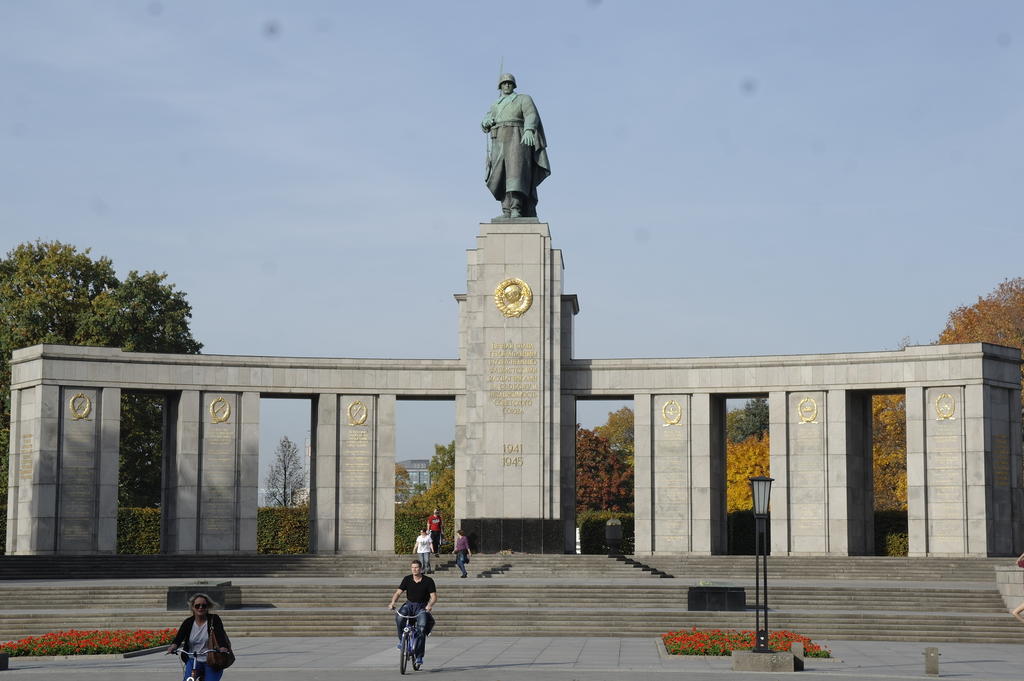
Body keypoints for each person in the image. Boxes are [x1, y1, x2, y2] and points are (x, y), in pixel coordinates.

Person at [481, 73, 551, 219]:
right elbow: (486, 121)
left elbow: (531, 114)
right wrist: (485, 122)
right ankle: (506, 210)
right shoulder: (496, 104)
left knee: (515, 173)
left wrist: (529, 129)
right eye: (504, 83)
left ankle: (516, 208)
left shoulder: (523, 99)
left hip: (516, 137)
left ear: (514, 85)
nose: (507, 85)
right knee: (500, 174)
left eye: (509, 83)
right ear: (500, 86)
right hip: (498, 139)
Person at [167, 593, 232, 681]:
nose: (200, 608)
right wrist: (173, 646)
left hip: (212, 660)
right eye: (197, 606)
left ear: (207, 607)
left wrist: (222, 647)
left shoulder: (214, 619)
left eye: (203, 606)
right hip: (193, 659)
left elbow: (220, 635)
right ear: (193, 608)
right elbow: (179, 637)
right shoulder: (188, 622)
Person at [388, 560, 437, 667]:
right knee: (399, 617)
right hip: (409, 605)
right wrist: (392, 602)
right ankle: (402, 641)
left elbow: (434, 597)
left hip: (421, 607)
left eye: (416, 567)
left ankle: (419, 656)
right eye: (412, 567)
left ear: (421, 569)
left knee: (421, 629)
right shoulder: (407, 579)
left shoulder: (428, 581)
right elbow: (398, 592)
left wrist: (429, 605)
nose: (414, 569)